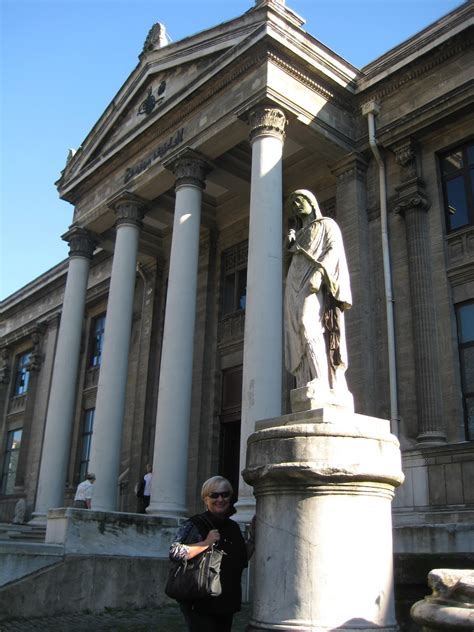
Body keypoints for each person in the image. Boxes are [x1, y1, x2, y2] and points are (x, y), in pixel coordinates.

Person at [284, 189, 352, 404]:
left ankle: (322, 380)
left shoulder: (326, 224)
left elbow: (334, 250)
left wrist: (319, 274)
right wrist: (290, 245)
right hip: (294, 285)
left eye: (299, 200)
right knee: (296, 330)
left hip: (313, 283)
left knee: (308, 323)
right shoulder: (300, 233)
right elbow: (294, 263)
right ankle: (305, 379)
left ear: (311, 202)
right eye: (292, 202)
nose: (296, 204)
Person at [169, 476, 255, 632]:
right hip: (200, 601)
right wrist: (205, 543)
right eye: (214, 495)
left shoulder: (233, 527)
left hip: (227, 601)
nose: (220, 499)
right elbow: (175, 552)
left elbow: (241, 559)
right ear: (205, 499)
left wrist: (254, 540)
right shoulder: (196, 524)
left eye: (225, 494)